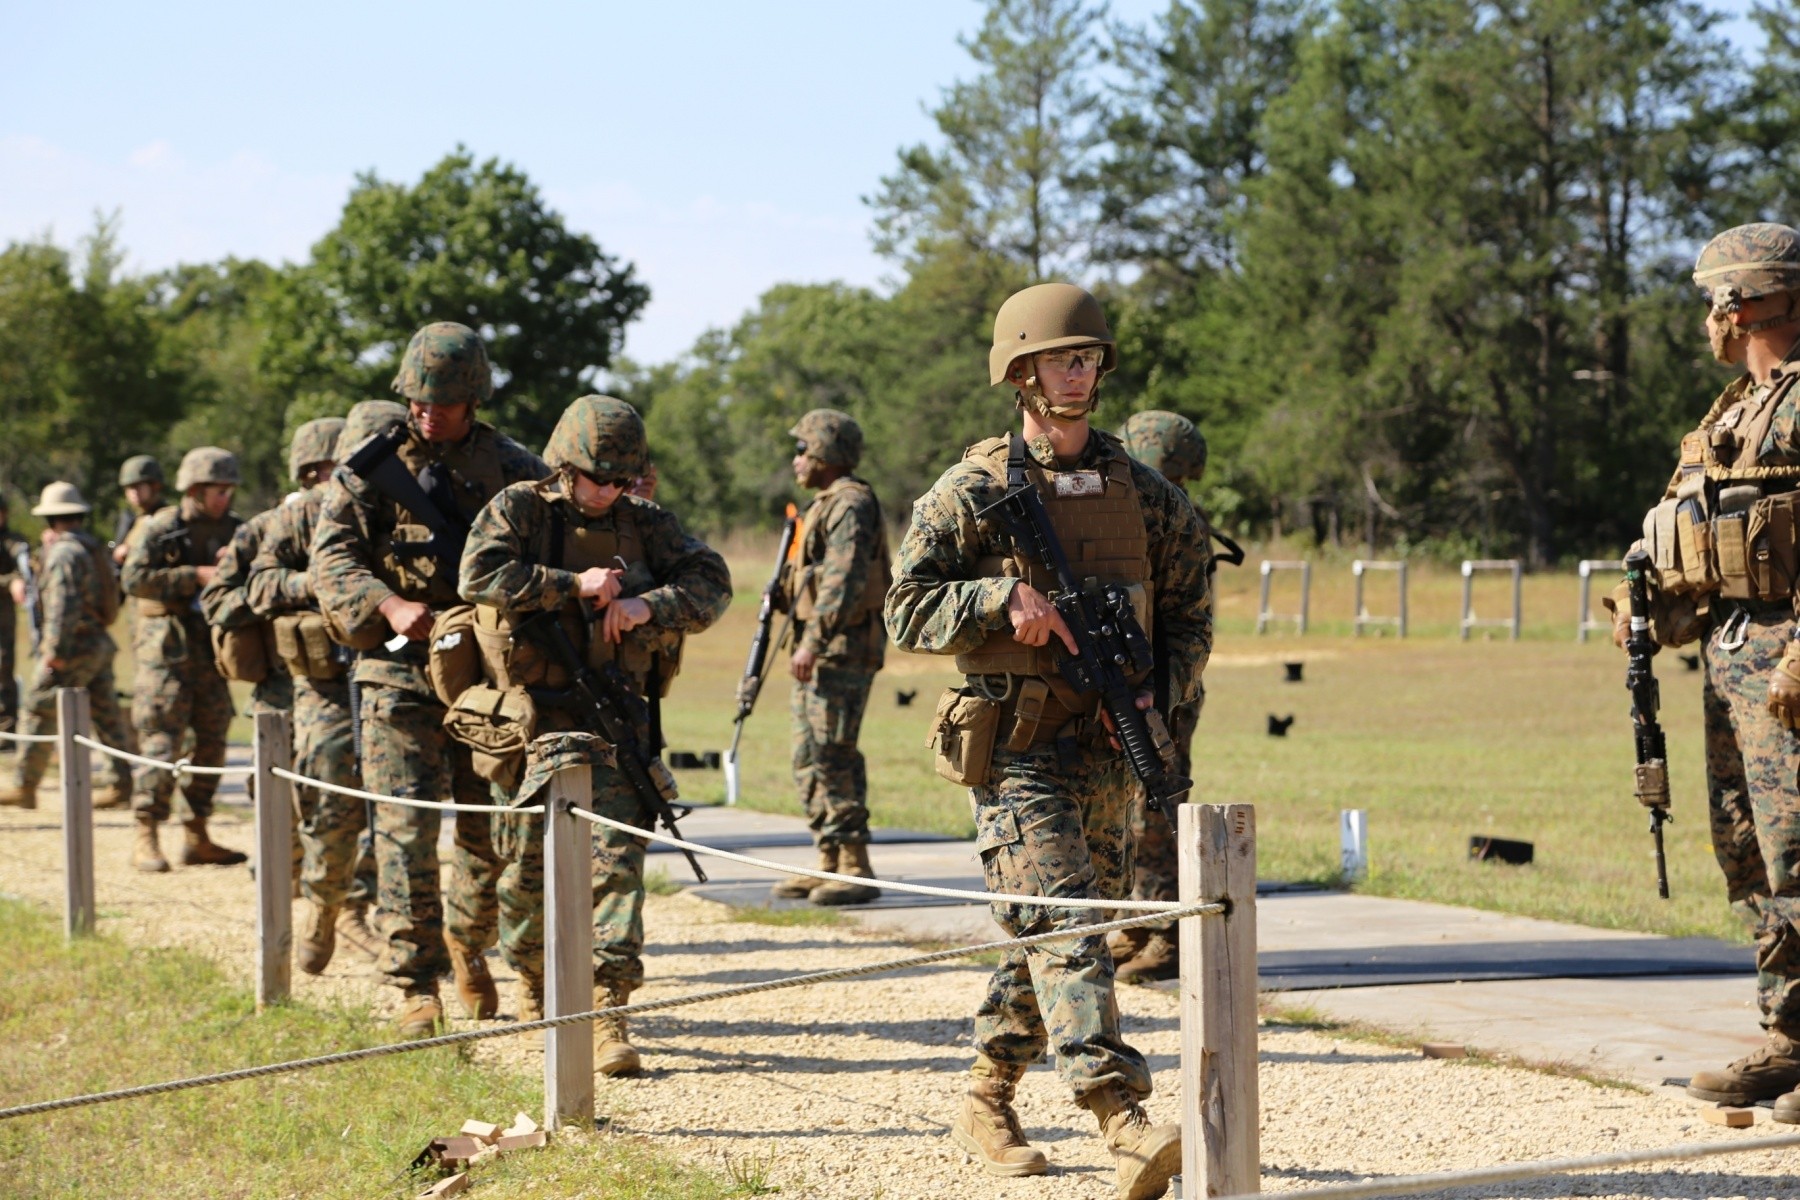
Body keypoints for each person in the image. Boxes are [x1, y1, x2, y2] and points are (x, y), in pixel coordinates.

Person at [885, 283, 1210, 1197]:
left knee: (1066, 932)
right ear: (1020, 372)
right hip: (1017, 745)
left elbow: (1191, 612)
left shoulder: (1141, 494)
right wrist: (999, 599)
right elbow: (903, 611)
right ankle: (1123, 1119)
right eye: (1065, 357)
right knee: (1065, 920)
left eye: (1091, 357)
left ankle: (986, 1093)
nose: (1082, 370)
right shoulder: (974, 492)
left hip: (1112, 746)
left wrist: (1155, 693)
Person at [460, 394, 731, 1072]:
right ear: (563, 465)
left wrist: (647, 604)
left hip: (614, 721)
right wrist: (568, 585)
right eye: (595, 477)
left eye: (620, 478)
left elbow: (712, 582)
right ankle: (533, 982)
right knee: (522, 871)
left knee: (616, 867)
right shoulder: (520, 509)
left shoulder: (644, 523)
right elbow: (478, 575)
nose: (608, 490)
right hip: (530, 722)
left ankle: (608, 1009)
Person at [311, 321, 546, 1037]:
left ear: (473, 397)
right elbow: (333, 560)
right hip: (398, 673)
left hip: (487, 678)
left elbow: (553, 551)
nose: (425, 412)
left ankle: (468, 944)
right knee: (406, 829)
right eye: (415, 399)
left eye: (440, 400)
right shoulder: (368, 469)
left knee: (489, 832)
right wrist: (387, 603)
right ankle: (416, 985)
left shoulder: (516, 469)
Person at [1615, 224, 1800, 1123]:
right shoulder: (1733, 412)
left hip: (1789, 661)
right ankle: (1791, 1039)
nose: (1708, 321)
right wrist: (1651, 613)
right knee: (1752, 848)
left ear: (1747, 302)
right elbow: (1700, 541)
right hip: (1732, 658)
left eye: (1712, 303)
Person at [248, 413, 381, 971]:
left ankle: (372, 915)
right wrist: (319, 585)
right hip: (326, 683)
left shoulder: (399, 505)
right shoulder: (299, 515)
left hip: (391, 665)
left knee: (394, 807)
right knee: (330, 796)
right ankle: (325, 907)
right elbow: (258, 583)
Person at [764, 409, 891, 906]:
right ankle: (828, 857)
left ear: (826, 454)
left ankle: (855, 864)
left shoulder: (850, 504)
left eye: (803, 450)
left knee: (833, 752)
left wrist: (813, 641)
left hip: (840, 651)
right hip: (821, 651)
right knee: (808, 756)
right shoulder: (822, 505)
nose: (796, 460)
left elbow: (843, 582)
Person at [1109, 410, 1214, 982]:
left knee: (1158, 809)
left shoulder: (1174, 519)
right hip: (1138, 681)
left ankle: (1169, 935)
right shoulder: (1146, 511)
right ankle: (1136, 923)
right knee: (1127, 809)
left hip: (1164, 689)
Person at [122, 447, 247, 872]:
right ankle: (147, 832)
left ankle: (197, 834)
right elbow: (134, 579)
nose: (224, 498)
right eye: (217, 490)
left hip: (211, 651)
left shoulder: (236, 528)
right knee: (160, 742)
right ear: (193, 489)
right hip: (165, 653)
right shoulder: (161, 527)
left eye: (229, 490)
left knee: (212, 741)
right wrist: (193, 575)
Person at [0, 484, 131, 810]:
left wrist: (54, 653)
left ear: (51, 519)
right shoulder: (91, 547)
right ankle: (122, 784)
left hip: (72, 648)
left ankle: (25, 786)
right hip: (98, 642)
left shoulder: (63, 553)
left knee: (37, 708)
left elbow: (62, 606)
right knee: (106, 715)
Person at [0, 494, 31, 743]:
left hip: (3, 618)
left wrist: (14, 580)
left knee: (2, 669)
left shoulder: (13, 542)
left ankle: (5, 731)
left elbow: (24, 570)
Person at [113, 455, 169, 565]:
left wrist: (131, 551)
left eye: (138, 485)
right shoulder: (133, 519)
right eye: (129, 487)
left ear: (155, 486)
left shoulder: (167, 518)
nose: (133, 492)